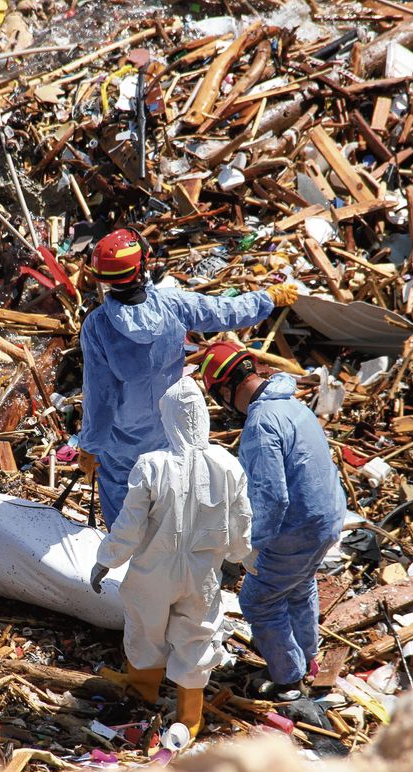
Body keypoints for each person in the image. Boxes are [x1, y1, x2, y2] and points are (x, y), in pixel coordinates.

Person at [78, 228, 297, 526]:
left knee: (125, 513)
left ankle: (127, 565)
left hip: (124, 442)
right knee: (171, 500)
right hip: (172, 427)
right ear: (141, 267)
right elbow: (226, 311)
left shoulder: (97, 326)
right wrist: (267, 298)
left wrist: (90, 446)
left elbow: (101, 397)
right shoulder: (173, 305)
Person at [89, 375, 252, 740]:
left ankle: (143, 690)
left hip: (153, 570)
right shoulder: (228, 465)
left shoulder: (151, 464)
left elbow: (129, 525)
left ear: (168, 419)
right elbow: (242, 521)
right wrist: (244, 558)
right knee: (198, 633)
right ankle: (189, 717)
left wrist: (106, 560)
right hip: (202, 573)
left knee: (146, 627)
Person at [196, 341, 346, 701]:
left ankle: (288, 679)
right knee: (298, 585)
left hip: (298, 528)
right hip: (327, 519)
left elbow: (271, 499)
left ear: (228, 388)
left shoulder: (261, 425)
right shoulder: (292, 405)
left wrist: (249, 547)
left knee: (258, 599)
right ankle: (308, 658)